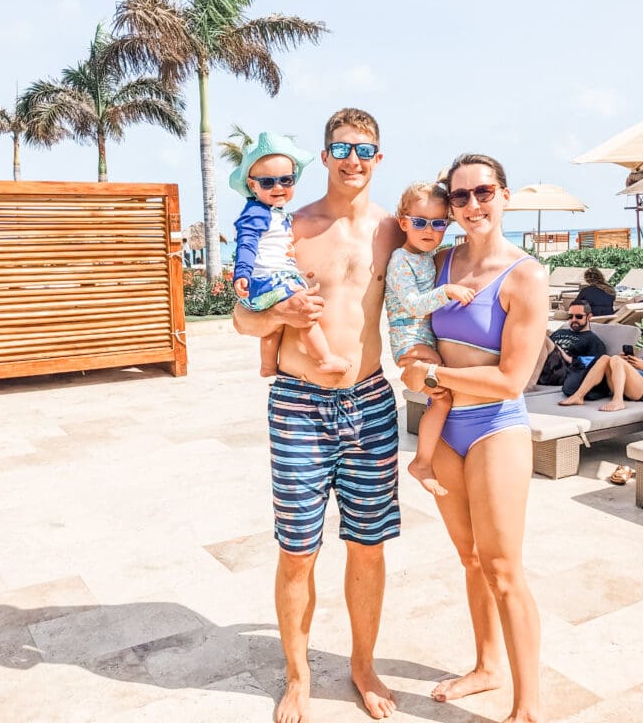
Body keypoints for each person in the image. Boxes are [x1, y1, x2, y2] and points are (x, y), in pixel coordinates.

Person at [232, 108, 404, 723]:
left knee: (368, 547)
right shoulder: (289, 225)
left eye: (366, 149)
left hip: (371, 401)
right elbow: (243, 317)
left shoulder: (394, 229)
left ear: (379, 158)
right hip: (300, 405)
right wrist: (283, 317)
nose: (353, 159)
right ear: (325, 155)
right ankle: (298, 677)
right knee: (298, 549)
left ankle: (361, 666)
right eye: (342, 147)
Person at [400, 154, 548, 723]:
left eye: (482, 192)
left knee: (504, 567)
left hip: (494, 427)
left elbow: (512, 377)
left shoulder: (526, 274)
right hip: (446, 430)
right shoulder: (438, 261)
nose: (471, 206)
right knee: (470, 559)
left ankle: (527, 707)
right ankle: (487, 667)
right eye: (458, 197)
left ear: (505, 194)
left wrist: (433, 375)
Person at [230, 131, 351, 377]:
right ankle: (324, 358)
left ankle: (267, 366)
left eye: (286, 180)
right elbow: (246, 244)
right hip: (271, 279)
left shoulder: (276, 214)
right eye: (267, 182)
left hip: (265, 281)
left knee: (273, 330)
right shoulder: (256, 212)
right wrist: (241, 272)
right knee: (306, 313)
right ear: (252, 185)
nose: (278, 187)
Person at [386, 181, 474, 497]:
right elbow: (413, 303)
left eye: (439, 223)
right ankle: (422, 460)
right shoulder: (400, 259)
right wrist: (447, 291)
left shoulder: (429, 256)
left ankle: (424, 459)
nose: (429, 229)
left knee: (442, 398)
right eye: (420, 222)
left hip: (422, 340)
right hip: (410, 341)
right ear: (404, 223)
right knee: (438, 388)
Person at [559, 321, 643, 412]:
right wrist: (623, 361)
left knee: (615, 360)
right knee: (606, 358)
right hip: (630, 387)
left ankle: (618, 401)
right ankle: (578, 396)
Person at [539, 301, 610, 397]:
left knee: (541, 337)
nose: (573, 319)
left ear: (589, 316)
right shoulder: (560, 331)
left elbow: (594, 365)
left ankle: (529, 385)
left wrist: (565, 355)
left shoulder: (593, 340)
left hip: (563, 372)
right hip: (543, 365)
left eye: (579, 316)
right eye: (570, 316)